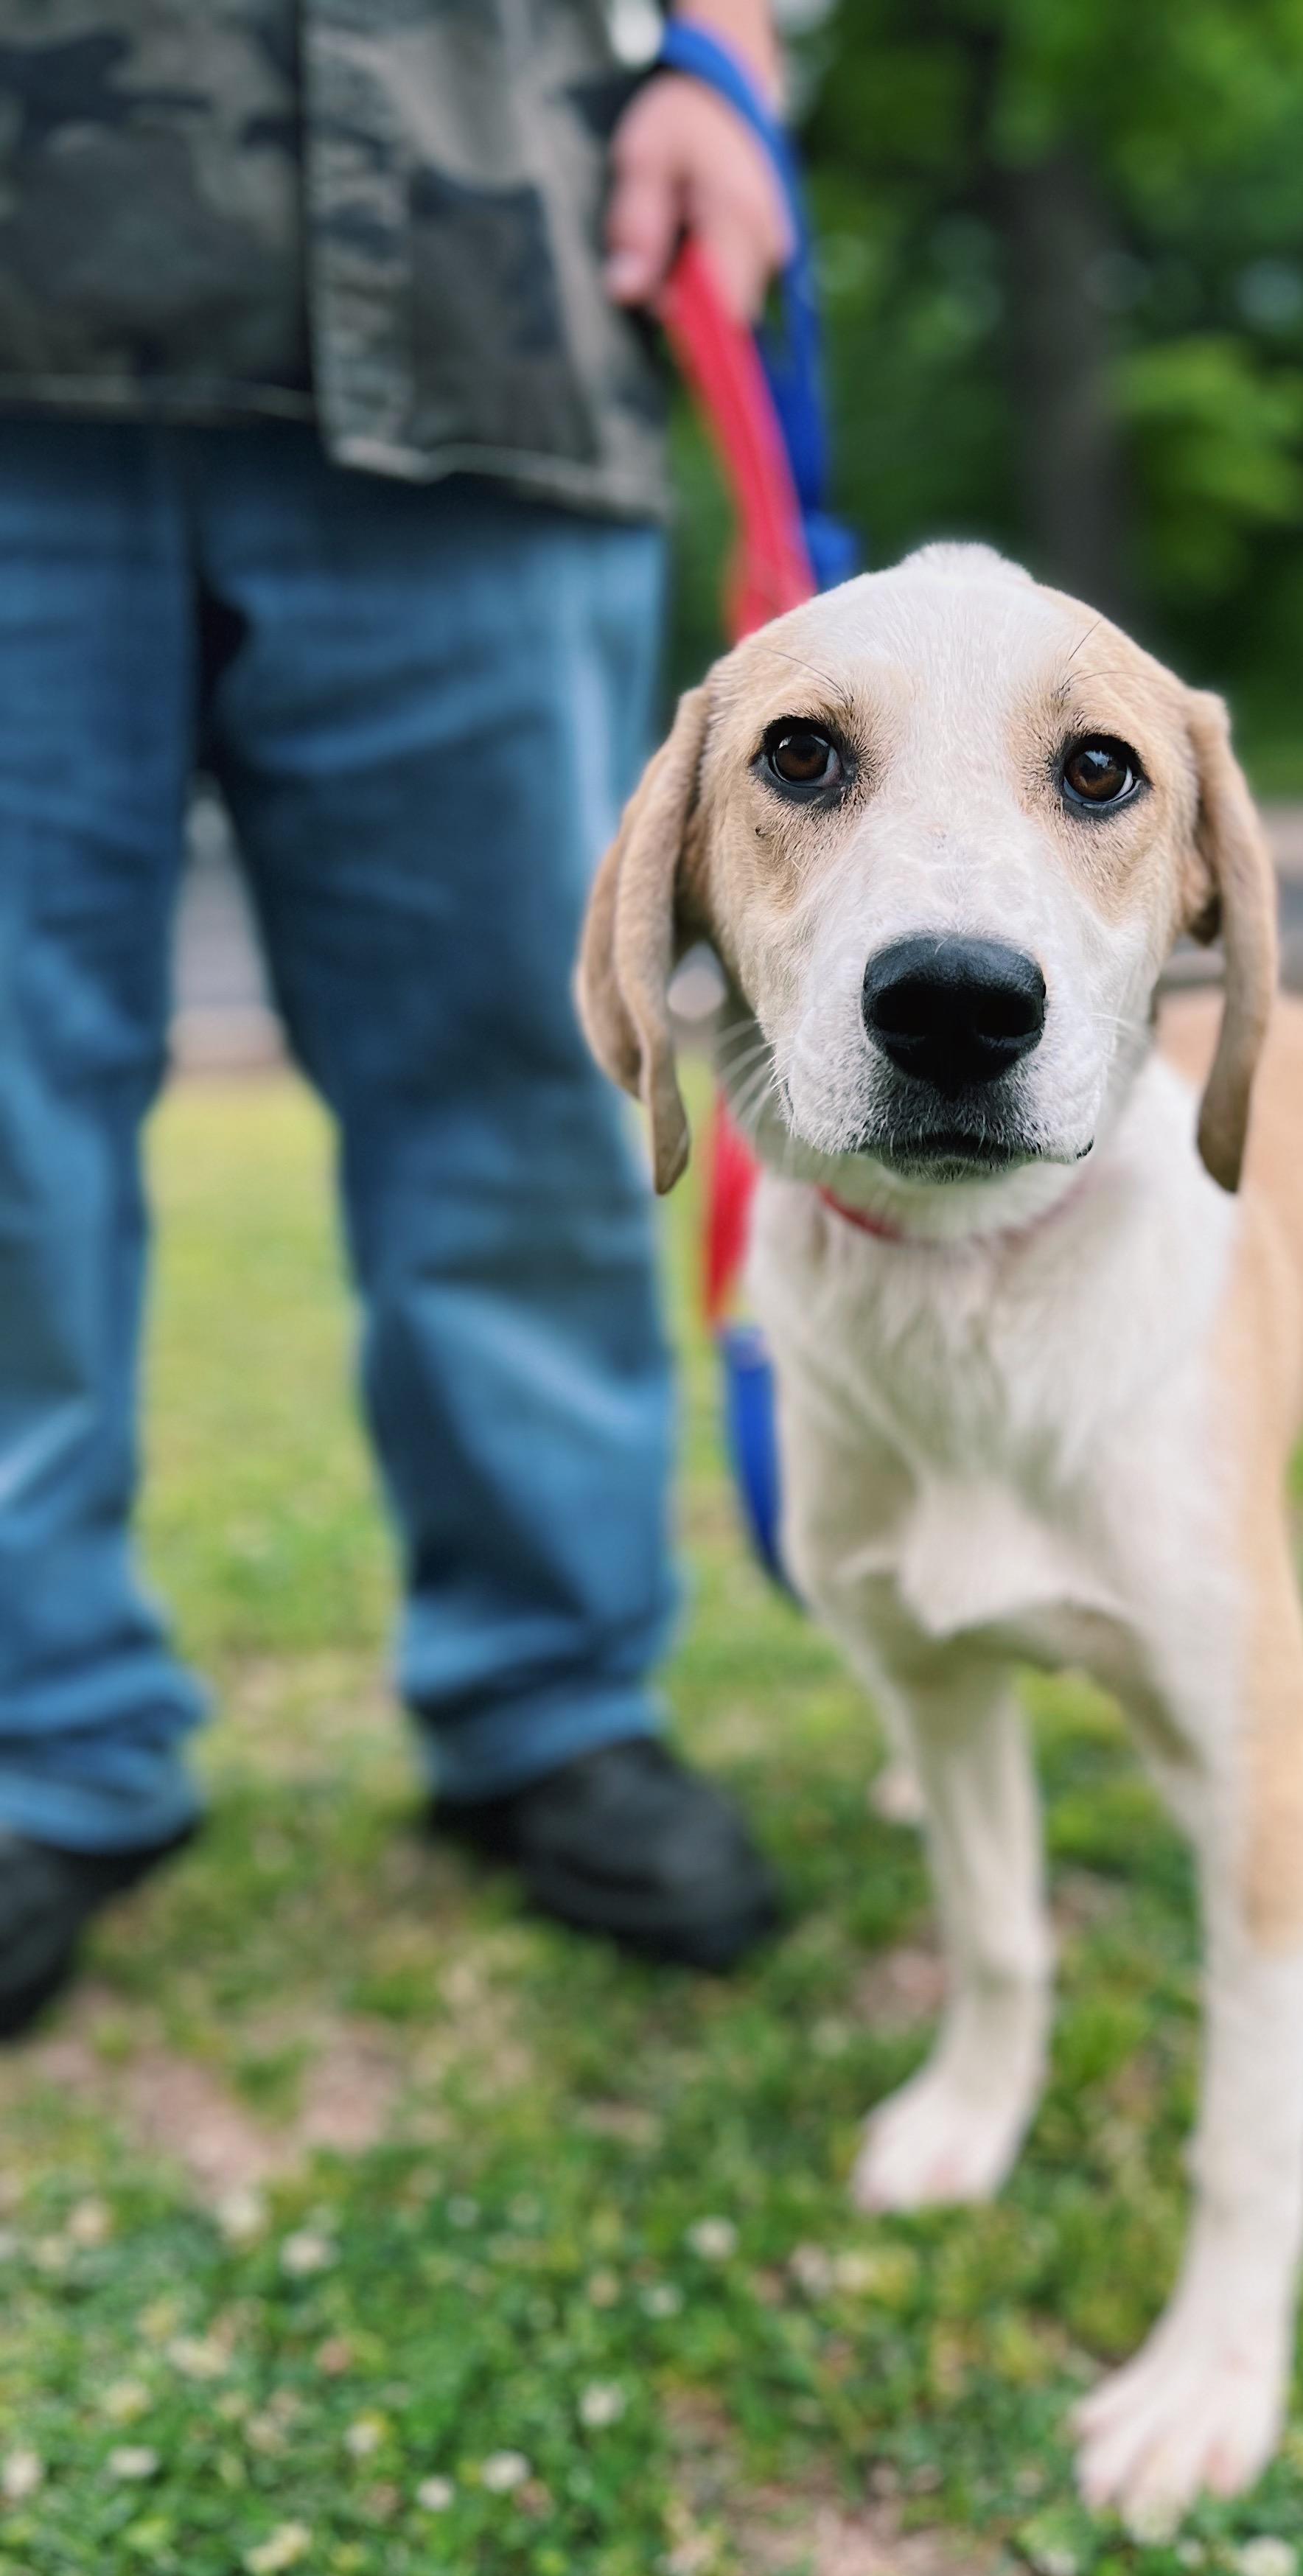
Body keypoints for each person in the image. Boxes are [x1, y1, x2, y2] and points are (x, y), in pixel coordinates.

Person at [0, 2, 797, 2036]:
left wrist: (723, 54)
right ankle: (33, 1734)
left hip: (483, 297)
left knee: (520, 1080)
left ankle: (551, 1701)